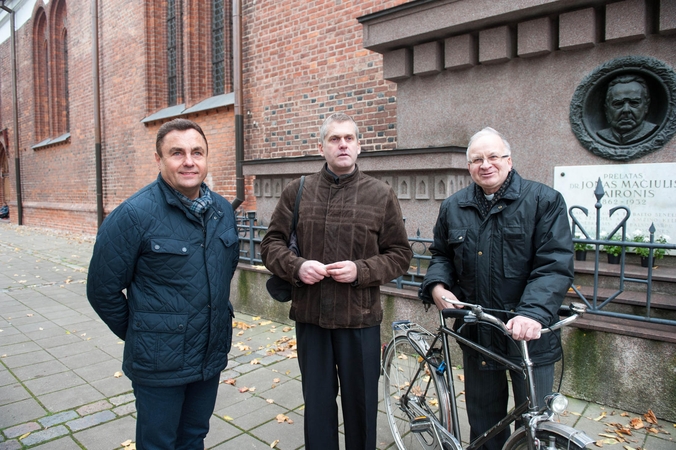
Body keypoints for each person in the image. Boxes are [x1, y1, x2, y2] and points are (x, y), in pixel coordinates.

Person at [261, 112, 412, 450]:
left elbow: (400, 254)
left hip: (359, 321)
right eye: (334, 138)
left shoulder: (381, 194)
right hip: (311, 318)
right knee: (317, 407)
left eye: (349, 138)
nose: (342, 144)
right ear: (321, 147)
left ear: (359, 147)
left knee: (360, 408)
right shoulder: (297, 191)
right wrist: (297, 266)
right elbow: (270, 244)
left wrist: (362, 270)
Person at [87, 118, 240, 449]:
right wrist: (145, 332)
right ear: (159, 159)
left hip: (208, 356)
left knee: (194, 436)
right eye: (177, 153)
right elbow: (102, 290)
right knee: (158, 443)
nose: (189, 161)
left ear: (206, 158)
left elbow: (225, 270)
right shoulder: (133, 216)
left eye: (197, 152)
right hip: (159, 365)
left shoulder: (223, 212)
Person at [419, 127, 574, 450]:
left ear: (509, 160)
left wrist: (532, 314)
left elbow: (554, 264)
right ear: (469, 166)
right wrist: (436, 286)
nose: (485, 164)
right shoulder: (453, 206)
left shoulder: (544, 200)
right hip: (479, 332)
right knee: (485, 423)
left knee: (534, 422)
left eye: (493, 157)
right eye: (477, 159)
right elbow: (441, 256)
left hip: (528, 334)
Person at [597, 74, 657, 145]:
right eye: (618, 104)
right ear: (606, 109)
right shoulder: (600, 135)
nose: (626, 110)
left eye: (634, 103)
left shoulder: (654, 130)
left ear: (646, 106)